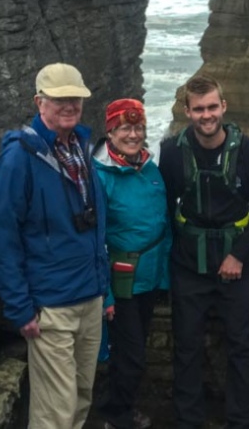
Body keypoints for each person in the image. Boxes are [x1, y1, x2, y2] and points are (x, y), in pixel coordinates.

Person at [0, 63, 109, 429]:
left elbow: (95, 223)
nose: (70, 105)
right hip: (51, 306)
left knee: (81, 396)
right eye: (59, 99)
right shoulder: (18, 159)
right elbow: (2, 239)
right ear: (40, 102)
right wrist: (20, 308)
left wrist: (103, 288)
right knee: (55, 411)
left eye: (75, 97)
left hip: (90, 296)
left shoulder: (81, 148)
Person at [158, 74, 249, 429]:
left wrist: (238, 254)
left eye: (212, 107)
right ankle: (188, 419)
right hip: (188, 266)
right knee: (187, 346)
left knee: (242, 345)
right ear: (187, 111)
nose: (206, 115)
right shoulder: (171, 152)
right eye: (198, 109)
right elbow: (163, 204)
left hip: (236, 265)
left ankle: (243, 418)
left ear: (223, 106)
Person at [93, 98, 172, 429]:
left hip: (151, 277)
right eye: (125, 128)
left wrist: (164, 277)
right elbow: (94, 239)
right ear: (110, 133)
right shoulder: (99, 176)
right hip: (120, 277)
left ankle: (118, 409)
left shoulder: (150, 168)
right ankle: (116, 416)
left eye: (139, 127)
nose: (133, 134)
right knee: (132, 356)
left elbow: (163, 224)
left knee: (132, 351)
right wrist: (105, 294)